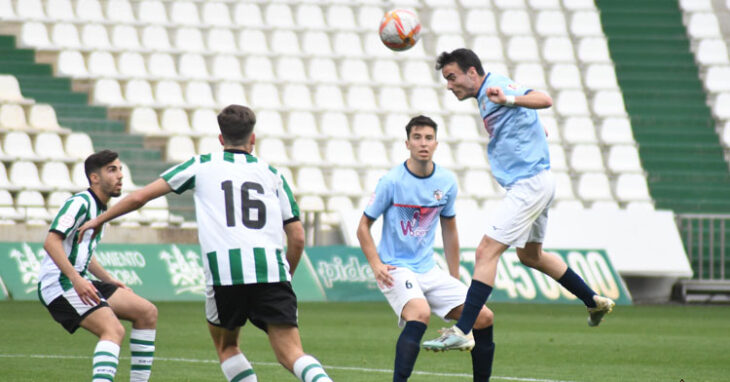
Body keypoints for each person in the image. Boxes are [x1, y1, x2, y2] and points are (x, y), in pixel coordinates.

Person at [78, 105, 332, 382]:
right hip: (271, 271)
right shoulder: (273, 174)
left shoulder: (200, 165)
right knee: (292, 354)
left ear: (221, 139)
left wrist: (98, 220)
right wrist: (287, 275)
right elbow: (297, 236)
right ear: (253, 138)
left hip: (225, 273)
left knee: (227, 346)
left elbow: (140, 197)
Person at [423, 49, 615, 351]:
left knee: (486, 251)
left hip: (529, 185)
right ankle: (593, 301)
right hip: (538, 182)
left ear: (472, 72)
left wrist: (510, 99)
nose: (449, 85)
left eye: (452, 77)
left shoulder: (496, 87)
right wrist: (533, 125)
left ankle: (463, 330)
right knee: (530, 256)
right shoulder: (487, 98)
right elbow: (527, 116)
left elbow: (543, 99)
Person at [357, 115, 495, 382]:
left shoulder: (446, 182)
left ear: (436, 143)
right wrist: (376, 264)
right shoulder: (391, 181)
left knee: (484, 317)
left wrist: (453, 276)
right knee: (419, 313)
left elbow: (449, 229)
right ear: (407, 143)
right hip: (395, 268)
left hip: (429, 269)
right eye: (417, 137)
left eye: (428, 138)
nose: (423, 143)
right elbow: (363, 226)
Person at [39, 149, 158, 382]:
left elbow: (81, 252)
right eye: (112, 170)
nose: (120, 175)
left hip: (78, 279)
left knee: (147, 312)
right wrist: (76, 279)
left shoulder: (100, 209)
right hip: (59, 283)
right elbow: (51, 242)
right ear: (94, 178)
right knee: (113, 331)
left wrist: (108, 280)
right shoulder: (80, 203)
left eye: (120, 169)